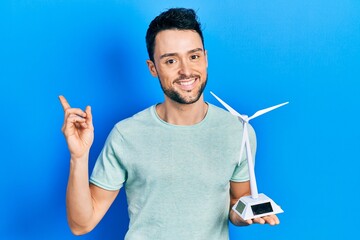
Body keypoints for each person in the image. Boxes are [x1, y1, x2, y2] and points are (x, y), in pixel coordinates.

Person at [59, 8, 279, 240]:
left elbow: (237, 202)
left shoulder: (239, 131)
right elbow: (81, 224)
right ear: (153, 68)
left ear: (205, 58)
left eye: (193, 56)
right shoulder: (127, 134)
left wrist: (244, 216)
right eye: (171, 60)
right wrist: (79, 157)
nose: (186, 71)